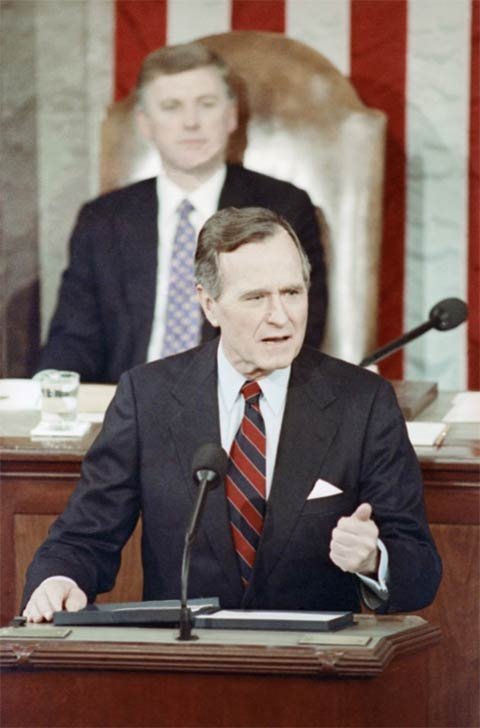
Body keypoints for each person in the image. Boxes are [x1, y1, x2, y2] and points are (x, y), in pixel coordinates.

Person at [22, 206, 441, 622]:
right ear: (209, 305)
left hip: (314, 657)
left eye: (292, 293)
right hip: (187, 654)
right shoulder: (148, 397)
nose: (281, 317)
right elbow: (85, 536)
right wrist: (59, 580)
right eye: (256, 298)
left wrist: (373, 559)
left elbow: (420, 568)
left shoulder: (363, 402)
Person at [37, 41, 327, 384]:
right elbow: (72, 340)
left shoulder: (282, 208)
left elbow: (294, 332)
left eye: (206, 104)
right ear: (145, 123)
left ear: (231, 115)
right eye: (172, 107)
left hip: (236, 398)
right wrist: (51, 395)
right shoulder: (102, 219)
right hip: (123, 401)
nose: (191, 122)